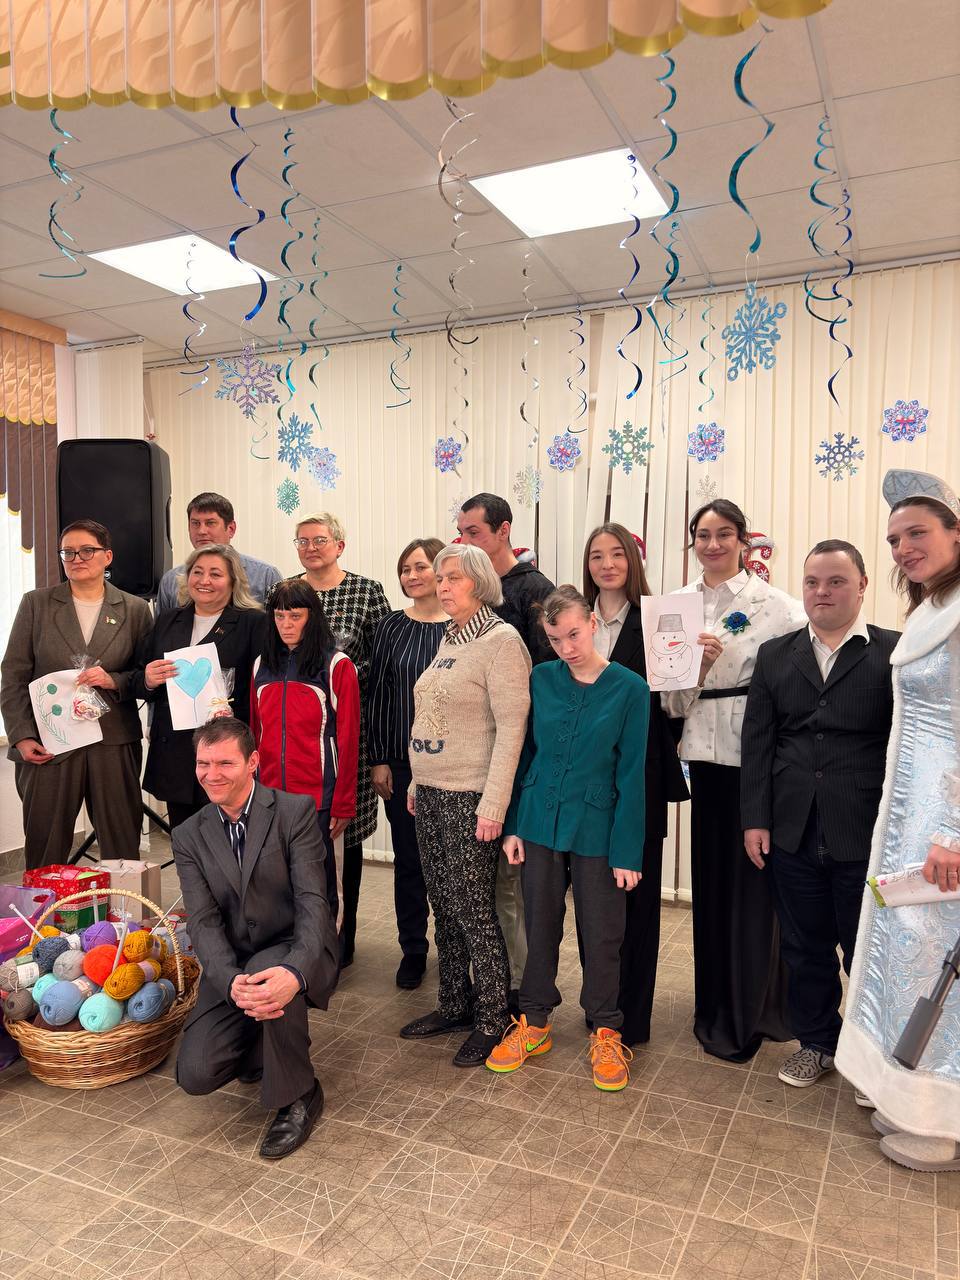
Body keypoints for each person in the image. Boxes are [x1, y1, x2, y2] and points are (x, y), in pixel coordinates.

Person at [836, 469, 960, 1173]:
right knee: (904, 948)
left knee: (941, 961)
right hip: (911, 814)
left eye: (918, 533)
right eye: (894, 539)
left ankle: (942, 1120)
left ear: (956, 534)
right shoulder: (933, 607)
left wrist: (955, 833)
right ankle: (906, 1087)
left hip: (945, 824)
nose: (904, 548)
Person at [740, 540, 898, 1088]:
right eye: (812, 582)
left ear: (862, 587)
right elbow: (758, 742)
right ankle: (818, 1043)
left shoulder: (893, 653)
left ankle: (874, 1058)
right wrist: (755, 819)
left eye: (836, 581)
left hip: (867, 829)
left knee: (867, 950)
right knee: (805, 947)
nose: (822, 592)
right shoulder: (775, 654)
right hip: (792, 829)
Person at [487, 586, 649, 1091]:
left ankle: (605, 1029)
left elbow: (633, 774)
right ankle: (534, 1022)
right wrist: (514, 824)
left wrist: (627, 852)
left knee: (602, 932)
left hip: (598, 827)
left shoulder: (630, 688)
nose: (566, 647)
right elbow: (525, 754)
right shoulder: (541, 678)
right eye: (555, 639)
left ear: (593, 623)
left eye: (574, 634)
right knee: (539, 923)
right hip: (538, 821)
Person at [662, 499, 806, 1063]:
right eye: (703, 535)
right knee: (714, 881)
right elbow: (669, 701)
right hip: (703, 753)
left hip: (759, 756)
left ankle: (762, 1002)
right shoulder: (675, 606)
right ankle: (717, 999)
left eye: (725, 534)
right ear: (693, 542)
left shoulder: (778, 607)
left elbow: (798, 690)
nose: (713, 544)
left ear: (744, 541)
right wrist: (694, 671)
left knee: (757, 884)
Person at [173, 716, 338, 1161]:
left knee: (269, 976)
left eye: (225, 763)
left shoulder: (293, 812)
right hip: (234, 962)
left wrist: (296, 970)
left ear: (253, 763)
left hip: (294, 945)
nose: (212, 774)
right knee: (196, 1073)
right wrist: (229, 981)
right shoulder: (188, 835)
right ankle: (264, 1042)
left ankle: (300, 1094)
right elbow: (203, 922)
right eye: (203, 763)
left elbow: (313, 903)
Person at [399, 544, 531, 1066]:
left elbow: (512, 728)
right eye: (440, 578)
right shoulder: (451, 637)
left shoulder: (502, 641)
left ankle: (493, 1017)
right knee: (443, 905)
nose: (442, 585)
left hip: (470, 796)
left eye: (452, 577)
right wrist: (417, 781)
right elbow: (431, 716)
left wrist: (494, 804)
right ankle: (454, 1003)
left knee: (475, 909)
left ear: (479, 580)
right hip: (431, 792)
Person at [583, 523, 690, 1046]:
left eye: (617, 555)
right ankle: (599, 1007)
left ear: (633, 561)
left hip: (640, 771)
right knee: (591, 899)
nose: (607, 565)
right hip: (584, 779)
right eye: (597, 556)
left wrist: (695, 668)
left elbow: (673, 708)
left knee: (638, 899)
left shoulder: (658, 620)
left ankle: (631, 1018)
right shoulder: (575, 620)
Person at [1, 519, 152, 869]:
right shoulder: (36, 604)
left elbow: (145, 675)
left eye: (87, 550)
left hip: (113, 741)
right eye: (68, 552)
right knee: (45, 849)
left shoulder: (134, 609)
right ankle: (45, 906)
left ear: (107, 556)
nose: (77, 558)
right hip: (49, 744)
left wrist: (113, 680)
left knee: (121, 850)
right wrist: (22, 736)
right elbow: (13, 675)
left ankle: (123, 906)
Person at [457, 492, 554, 1005]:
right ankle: (493, 979)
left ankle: (521, 989)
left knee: (511, 884)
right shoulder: (471, 593)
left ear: (504, 530)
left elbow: (547, 680)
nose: (466, 540)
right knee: (483, 884)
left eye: (474, 532)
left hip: (519, 755)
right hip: (475, 756)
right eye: (461, 533)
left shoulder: (534, 590)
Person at [294, 512, 391, 966]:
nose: (311, 548)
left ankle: (342, 937)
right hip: (297, 738)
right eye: (302, 541)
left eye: (319, 540)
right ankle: (303, 936)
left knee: (344, 834)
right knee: (297, 837)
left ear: (339, 545)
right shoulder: (286, 592)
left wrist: (341, 677)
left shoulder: (366, 592)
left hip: (352, 733)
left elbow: (383, 660)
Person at [250, 578, 360, 925]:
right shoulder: (261, 665)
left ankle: (326, 949)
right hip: (270, 798)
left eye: (295, 616)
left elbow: (349, 739)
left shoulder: (337, 665)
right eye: (279, 616)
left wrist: (342, 803)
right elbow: (255, 735)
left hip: (318, 800)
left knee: (322, 886)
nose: (286, 625)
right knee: (277, 884)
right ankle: (286, 949)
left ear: (312, 616)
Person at [132, 544, 265, 829]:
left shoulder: (254, 623)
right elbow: (137, 680)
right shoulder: (167, 621)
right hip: (176, 756)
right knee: (185, 844)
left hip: (227, 753)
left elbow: (265, 690)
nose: (204, 581)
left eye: (215, 574)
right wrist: (147, 679)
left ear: (233, 581)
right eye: (197, 572)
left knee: (232, 843)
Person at [368, 537, 447, 990]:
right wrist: (379, 759)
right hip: (399, 763)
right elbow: (378, 695)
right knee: (410, 862)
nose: (412, 576)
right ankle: (413, 949)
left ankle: (456, 950)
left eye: (420, 566)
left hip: (452, 766)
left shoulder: (464, 627)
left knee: (451, 865)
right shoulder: (390, 627)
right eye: (405, 569)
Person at [156, 491, 281, 613]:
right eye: (195, 523)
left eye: (210, 523)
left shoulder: (265, 576)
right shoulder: (171, 581)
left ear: (231, 529)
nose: (201, 531)